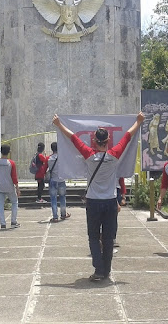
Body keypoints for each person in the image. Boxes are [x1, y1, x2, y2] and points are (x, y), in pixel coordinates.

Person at [53, 112, 144, 282]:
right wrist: (138, 122)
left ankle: (99, 270)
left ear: (94, 141)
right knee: (108, 238)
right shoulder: (115, 155)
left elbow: (73, 138)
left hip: (94, 201)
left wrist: (59, 124)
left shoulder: (89, 155)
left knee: (94, 237)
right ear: (109, 140)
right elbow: (127, 136)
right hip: (110, 201)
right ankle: (107, 270)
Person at [0, 144, 21, 229]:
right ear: (9, 152)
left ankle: (3, 223)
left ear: (1, 152)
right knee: (14, 202)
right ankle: (13, 221)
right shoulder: (11, 163)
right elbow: (14, 177)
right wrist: (17, 188)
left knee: (0, 205)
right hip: (9, 186)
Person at [47, 142, 69, 222]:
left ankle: (55, 216)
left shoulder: (49, 159)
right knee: (62, 198)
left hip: (53, 180)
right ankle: (63, 214)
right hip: (61, 179)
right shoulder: (62, 158)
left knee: (53, 199)